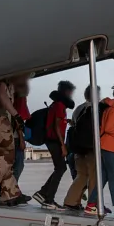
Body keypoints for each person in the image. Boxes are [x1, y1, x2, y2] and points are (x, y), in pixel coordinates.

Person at [84, 85, 114, 218]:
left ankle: (90, 205)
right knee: (113, 176)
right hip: (108, 146)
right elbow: (108, 128)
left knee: (105, 177)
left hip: (109, 145)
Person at [34, 80, 76, 210]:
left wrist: (65, 120)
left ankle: (43, 194)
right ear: (66, 91)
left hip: (52, 139)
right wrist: (62, 145)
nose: (72, 94)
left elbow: (57, 121)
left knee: (60, 168)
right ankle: (48, 199)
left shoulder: (56, 104)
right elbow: (56, 126)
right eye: (71, 92)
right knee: (60, 168)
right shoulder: (59, 105)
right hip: (54, 140)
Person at [63, 85, 101, 210]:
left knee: (81, 175)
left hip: (78, 148)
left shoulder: (78, 109)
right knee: (94, 177)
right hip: (92, 148)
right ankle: (93, 204)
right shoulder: (96, 108)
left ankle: (71, 201)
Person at [0, 77, 25, 206]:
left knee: (3, 159)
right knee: (6, 157)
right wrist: (16, 115)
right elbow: (2, 95)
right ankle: (9, 193)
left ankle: (11, 194)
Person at [12, 77, 31, 182]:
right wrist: (21, 139)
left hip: (7, 135)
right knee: (18, 166)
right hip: (14, 137)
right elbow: (18, 118)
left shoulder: (11, 95)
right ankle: (12, 192)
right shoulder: (20, 98)